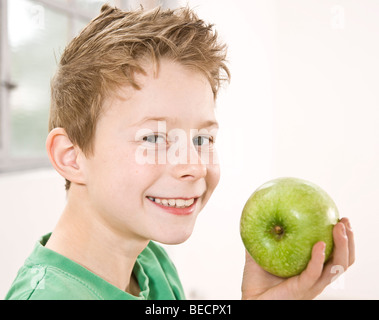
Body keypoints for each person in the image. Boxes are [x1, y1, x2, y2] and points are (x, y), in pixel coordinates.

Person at [5, 4, 354, 300]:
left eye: (203, 140)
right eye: (154, 138)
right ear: (72, 156)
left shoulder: (152, 264)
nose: (195, 167)